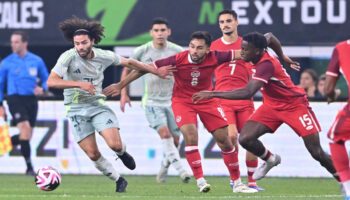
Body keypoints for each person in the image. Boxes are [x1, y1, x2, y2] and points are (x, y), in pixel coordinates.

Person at [104, 31, 294, 193]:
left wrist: (273, 60)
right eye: (192, 47)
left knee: (225, 140)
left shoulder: (217, 56)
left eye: (200, 48)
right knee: (191, 135)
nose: (195, 51)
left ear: (208, 49)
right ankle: (201, 181)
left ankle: (237, 183)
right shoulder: (177, 58)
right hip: (183, 101)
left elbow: (246, 54)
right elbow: (142, 69)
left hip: (207, 100)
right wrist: (121, 85)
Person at [192, 32, 340, 184]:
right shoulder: (259, 47)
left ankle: (344, 180)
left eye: (245, 50)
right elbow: (270, 36)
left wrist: (213, 94)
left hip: (294, 105)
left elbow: (247, 92)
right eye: (241, 49)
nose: (241, 53)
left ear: (257, 51)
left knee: (317, 152)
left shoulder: (266, 65)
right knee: (246, 139)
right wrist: (283, 56)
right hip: (271, 105)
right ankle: (270, 159)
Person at [46, 17, 172, 193]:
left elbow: (131, 63)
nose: (80, 47)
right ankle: (119, 180)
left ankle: (122, 154)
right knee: (93, 154)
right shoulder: (68, 57)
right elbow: (51, 82)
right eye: (77, 44)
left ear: (93, 41)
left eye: (84, 43)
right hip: (75, 109)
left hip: (97, 106)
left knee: (115, 145)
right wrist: (80, 84)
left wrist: (155, 71)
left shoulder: (104, 56)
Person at [120, 17, 190, 183]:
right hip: (152, 102)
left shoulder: (177, 50)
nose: (160, 33)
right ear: (151, 33)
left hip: (173, 101)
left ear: (168, 32)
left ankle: (163, 170)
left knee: (175, 140)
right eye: (156, 30)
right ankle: (182, 172)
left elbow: (186, 73)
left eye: (162, 30)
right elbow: (126, 70)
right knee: (165, 133)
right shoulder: (142, 51)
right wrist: (124, 93)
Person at [210, 9, 262, 191]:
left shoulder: (247, 45)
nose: (225, 24)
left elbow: (257, 68)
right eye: (222, 22)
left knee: (251, 139)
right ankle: (235, 179)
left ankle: (253, 181)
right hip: (223, 99)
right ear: (219, 25)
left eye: (229, 21)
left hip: (244, 98)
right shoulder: (213, 46)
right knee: (231, 136)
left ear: (236, 22)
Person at [0, 31, 50, 176]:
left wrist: (43, 88)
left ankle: (3, 145)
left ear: (25, 43)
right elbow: (0, 84)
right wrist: (0, 104)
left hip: (31, 100)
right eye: (12, 42)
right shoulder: (7, 62)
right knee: (25, 130)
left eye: (16, 42)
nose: (13, 45)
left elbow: (46, 78)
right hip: (14, 98)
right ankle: (29, 168)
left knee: (26, 136)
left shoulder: (36, 60)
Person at [325, 39, 350, 200]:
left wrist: (333, 95)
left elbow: (328, 89)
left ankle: (348, 190)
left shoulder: (342, 48)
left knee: (334, 137)